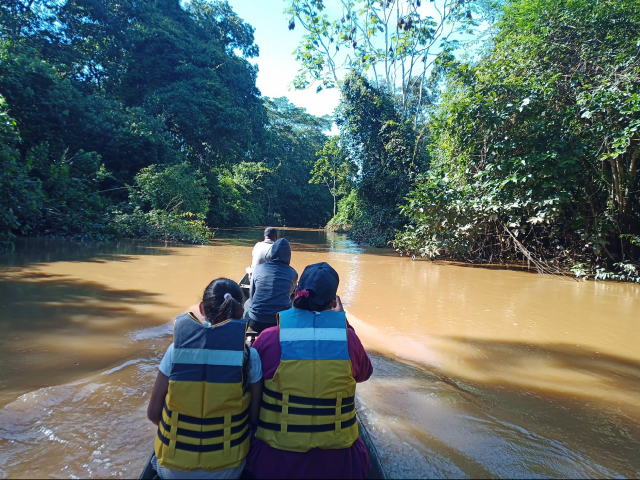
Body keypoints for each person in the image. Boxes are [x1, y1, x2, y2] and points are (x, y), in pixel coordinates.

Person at [246, 262, 373, 479]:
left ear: (296, 294)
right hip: (342, 465)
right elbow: (364, 374)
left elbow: (249, 381)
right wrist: (344, 324)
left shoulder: (268, 337)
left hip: (275, 462)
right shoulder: (348, 337)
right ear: (334, 302)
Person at [146, 278, 263, 480]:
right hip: (227, 470)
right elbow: (254, 419)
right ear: (240, 311)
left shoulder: (176, 351)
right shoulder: (249, 356)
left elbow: (153, 414)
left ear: (201, 308)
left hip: (172, 470)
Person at [244, 238, 298, 334]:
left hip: (256, 322)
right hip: (279, 322)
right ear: (289, 255)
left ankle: (247, 336)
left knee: (247, 302)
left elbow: (252, 296)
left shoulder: (258, 269)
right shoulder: (293, 273)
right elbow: (289, 295)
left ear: (271, 253)